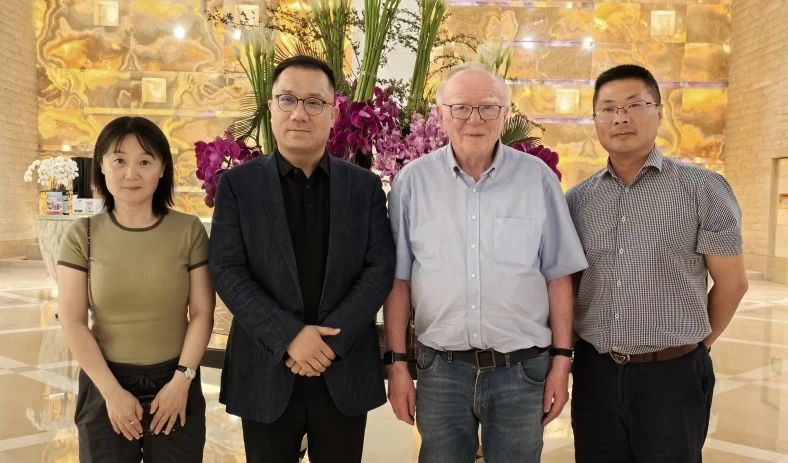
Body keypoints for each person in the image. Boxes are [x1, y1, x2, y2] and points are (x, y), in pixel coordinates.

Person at [384, 62, 588, 463]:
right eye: (461, 107)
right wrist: (398, 365)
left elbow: (558, 276)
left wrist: (562, 361)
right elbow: (399, 282)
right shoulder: (412, 183)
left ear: (505, 113)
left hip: (521, 370)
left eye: (489, 107)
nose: (474, 119)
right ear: (441, 114)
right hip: (441, 370)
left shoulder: (537, 180)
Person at [209, 55, 395, 463]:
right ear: (271, 107)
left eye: (314, 102)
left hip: (342, 367)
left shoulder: (363, 187)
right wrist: (290, 336)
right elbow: (227, 270)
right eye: (288, 99)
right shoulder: (238, 186)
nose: (299, 113)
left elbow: (379, 268)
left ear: (333, 113)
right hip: (265, 366)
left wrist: (329, 344)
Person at [566, 64, 749, 462]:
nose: (621, 118)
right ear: (595, 119)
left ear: (660, 113)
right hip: (596, 375)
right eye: (608, 108)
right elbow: (571, 287)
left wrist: (695, 347)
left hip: (672, 377)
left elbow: (733, 284)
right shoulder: (576, 201)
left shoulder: (703, 189)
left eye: (635, 105)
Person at [57, 116, 215, 462]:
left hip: (175, 379)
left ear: (162, 169)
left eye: (145, 161)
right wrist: (112, 393)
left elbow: (203, 313)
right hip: (105, 380)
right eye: (119, 160)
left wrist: (182, 381)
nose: (131, 173)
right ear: (101, 165)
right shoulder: (82, 235)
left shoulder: (189, 231)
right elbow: (72, 321)